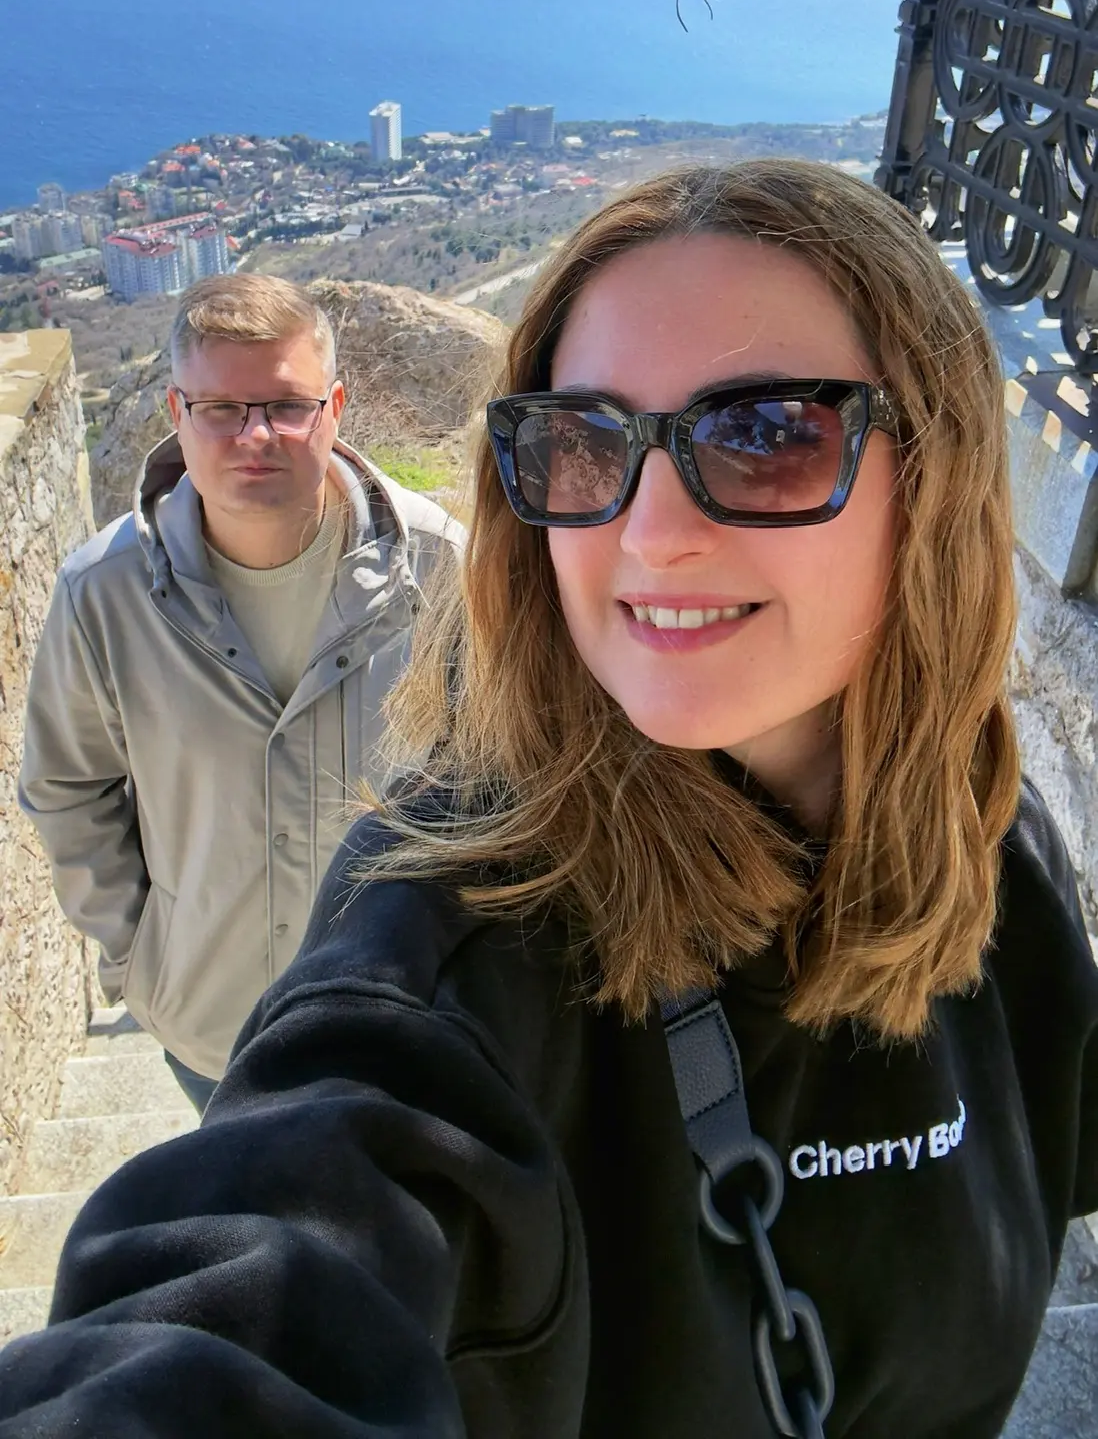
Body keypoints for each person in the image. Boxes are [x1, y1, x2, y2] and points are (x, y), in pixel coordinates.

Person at [1, 162, 1096, 1438]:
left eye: (766, 434)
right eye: (586, 444)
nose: (653, 532)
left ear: (939, 473)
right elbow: (261, 1286)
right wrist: (143, 963)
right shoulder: (455, 937)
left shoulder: (993, 846)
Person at [18, 272, 462, 1112]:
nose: (255, 435)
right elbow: (67, 788)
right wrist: (142, 961)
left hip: (407, 1019)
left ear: (334, 408)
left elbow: (502, 781)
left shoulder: (443, 570)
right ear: (177, 414)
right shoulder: (103, 595)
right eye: (221, 408)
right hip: (214, 1034)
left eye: (287, 406)